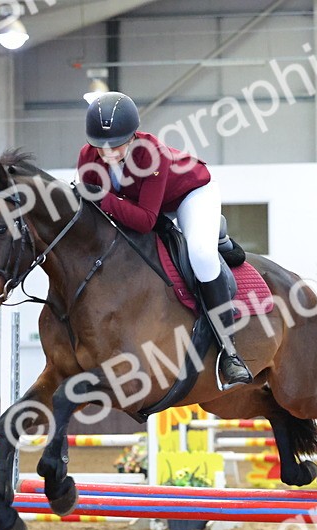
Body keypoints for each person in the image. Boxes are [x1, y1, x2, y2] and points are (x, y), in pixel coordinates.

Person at [76, 92, 252, 389]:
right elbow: (93, 210)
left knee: (200, 255)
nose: (107, 154)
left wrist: (102, 198)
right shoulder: (87, 156)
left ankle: (229, 351)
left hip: (190, 194)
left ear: (132, 137)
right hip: (141, 203)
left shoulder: (152, 153)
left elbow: (144, 220)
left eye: (116, 146)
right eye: (100, 147)